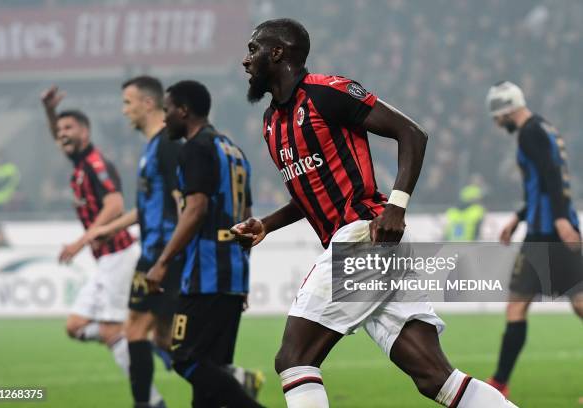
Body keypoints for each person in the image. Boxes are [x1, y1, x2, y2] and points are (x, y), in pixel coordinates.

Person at [233, 18, 517, 407]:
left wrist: (397, 208)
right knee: (436, 378)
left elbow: (412, 133)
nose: (245, 61)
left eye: (253, 50)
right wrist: (267, 224)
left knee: (294, 358)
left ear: (278, 53)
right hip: (372, 247)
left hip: (364, 237)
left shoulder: (326, 93)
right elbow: (310, 194)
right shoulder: (272, 123)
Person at [145, 80, 264, 408]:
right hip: (231, 275)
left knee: (184, 358)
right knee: (209, 377)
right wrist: (240, 278)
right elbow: (249, 220)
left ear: (183, 110)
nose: (164, 118)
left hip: (205, 276)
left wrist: (162, 262)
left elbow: (195, 210)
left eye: (167, 111)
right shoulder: (234, 151)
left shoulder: (196, 148)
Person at [485, 81, 583, 397]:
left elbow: (553, 176)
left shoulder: (530, 133)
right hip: (543, 228)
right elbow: (543, 183)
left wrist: (558, 221)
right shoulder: (543, 128)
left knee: (577, 304)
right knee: (518, 305)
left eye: (497, 116)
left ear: (505, 109)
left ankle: (499, 384)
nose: (498, 123)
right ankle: (499, 384)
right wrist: (519, 216)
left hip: (549, 233)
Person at [40, 86, 138, 400]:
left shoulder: (96, 164)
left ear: (85, 131)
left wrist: (82, 240)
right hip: (106, 260)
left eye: (69, 128)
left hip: (120, 255)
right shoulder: (79, 163)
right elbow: (59, 136)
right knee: (75, 325)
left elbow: (115, 204)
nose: (62, 133)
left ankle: (149, 399)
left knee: (110, 331)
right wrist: (49, 111)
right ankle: (137, 340)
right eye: (60, 129)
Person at [88, 76, 180, 408]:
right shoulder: (152, 148)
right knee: (165, 340)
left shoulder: (168, 145)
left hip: (163, 254)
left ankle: (145, 404)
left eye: (128, 103)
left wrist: (174, 255)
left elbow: (182, 202)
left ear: (148, 103)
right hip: (155, 252)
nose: (124, 110)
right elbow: (148, 206)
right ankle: (231, 379)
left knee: (137, 330)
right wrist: (111, 228)